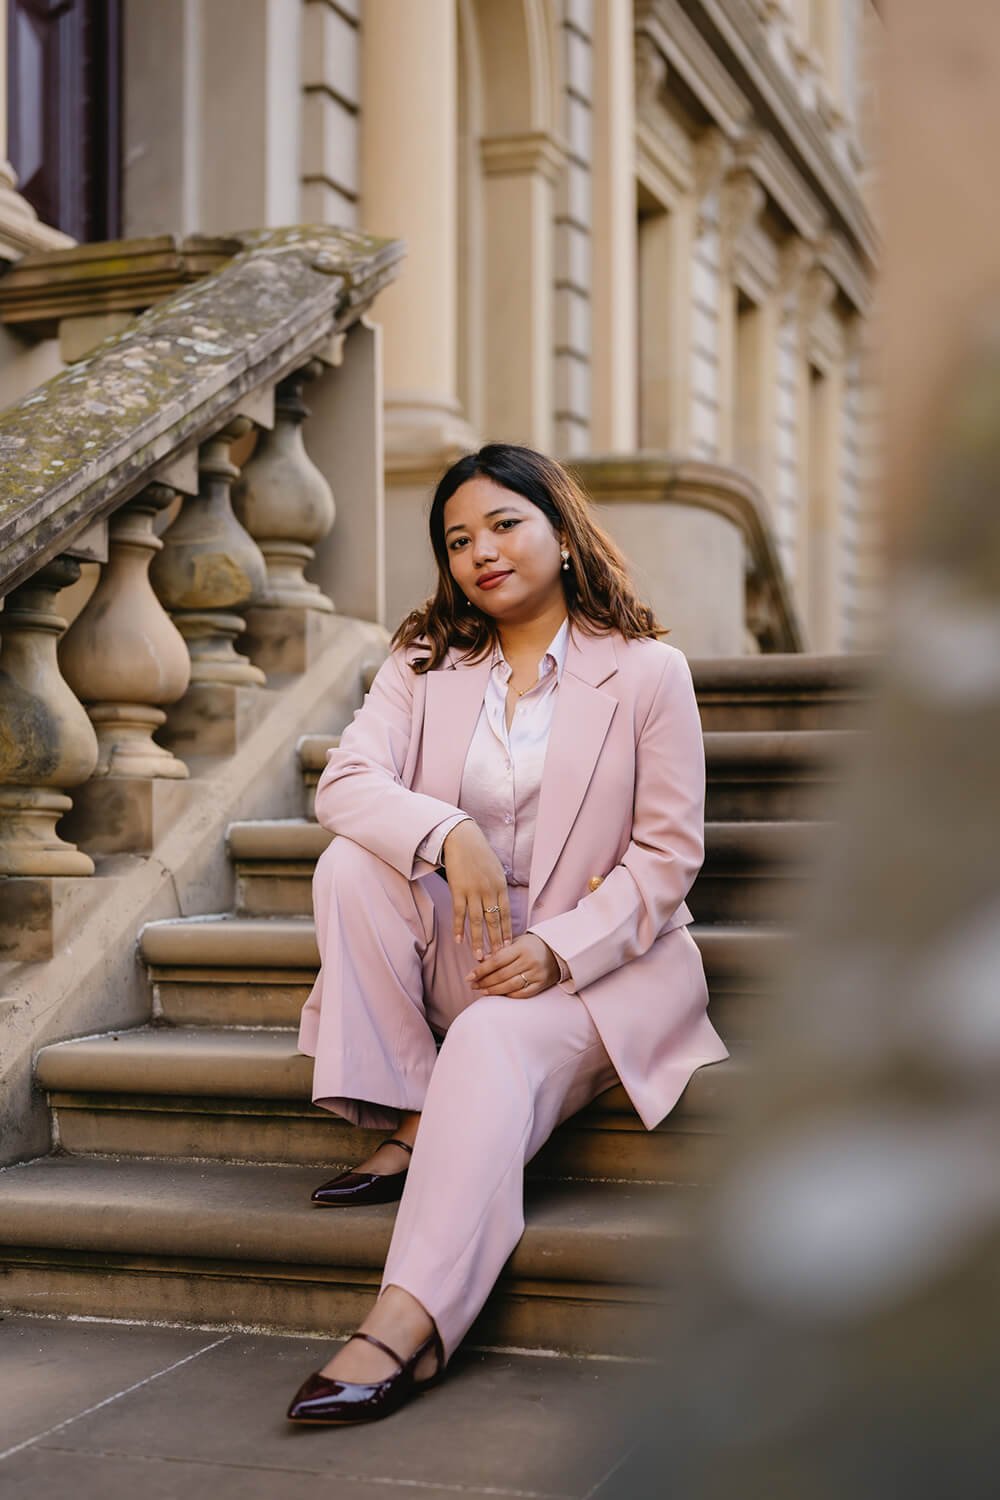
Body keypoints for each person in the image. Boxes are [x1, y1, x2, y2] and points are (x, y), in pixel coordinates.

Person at [286, 443, 729, 1425]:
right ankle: (409, 1104)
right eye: (456, 539)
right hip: (467, 945)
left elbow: (667, 857)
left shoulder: (649, 673)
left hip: (603, 966)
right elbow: (346, 786)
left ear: (563, 535)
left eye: (502, 524)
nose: (479, 551)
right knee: (351, 861)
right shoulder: (423, 662)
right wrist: (448, 834)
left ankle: (408, 1321)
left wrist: (562, 947)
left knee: (488, 1038)